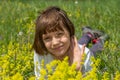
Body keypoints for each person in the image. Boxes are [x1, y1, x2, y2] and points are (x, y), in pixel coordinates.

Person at [32, 6, 108, 79]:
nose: (55, 42)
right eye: (47, 38)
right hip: (70, 46)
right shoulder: (41, 54)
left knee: (93, 50)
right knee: (79, 43)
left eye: (59, 34)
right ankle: (88, 34)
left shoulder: (85, 54)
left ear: (70, 33)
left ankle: (100, 41)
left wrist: (78, 69)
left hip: (84, 52)